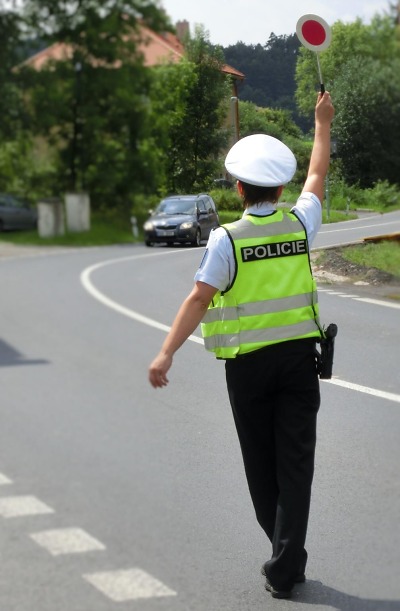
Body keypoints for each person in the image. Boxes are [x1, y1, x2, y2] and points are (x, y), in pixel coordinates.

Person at [149, 92, 335, 600]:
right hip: (299, 364)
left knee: (261, 466)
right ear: (280, 186)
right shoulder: (300, 224)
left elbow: (198, 298)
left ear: (236, 188)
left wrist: (166, 351)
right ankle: (287, 558)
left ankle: (282, 564)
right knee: (297, 465)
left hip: (249, 370)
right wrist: (322, 125)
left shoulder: (226, 239)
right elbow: (317, 176)